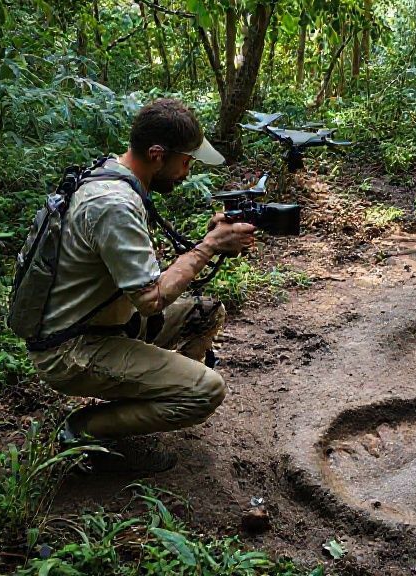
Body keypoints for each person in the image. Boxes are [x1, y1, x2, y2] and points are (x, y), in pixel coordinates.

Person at [27, 98, 256, 474]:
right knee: (206, 391)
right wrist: (210, 246)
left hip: (106, 324)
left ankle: (157, 394)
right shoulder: (113, 204)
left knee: (205, 314)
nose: (187, 172)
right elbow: (151, 298)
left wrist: (209, 241)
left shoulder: (112, 174)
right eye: (186, 162)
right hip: (72, 348)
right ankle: (83, 432)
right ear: (156, 154)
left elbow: (139, 278)